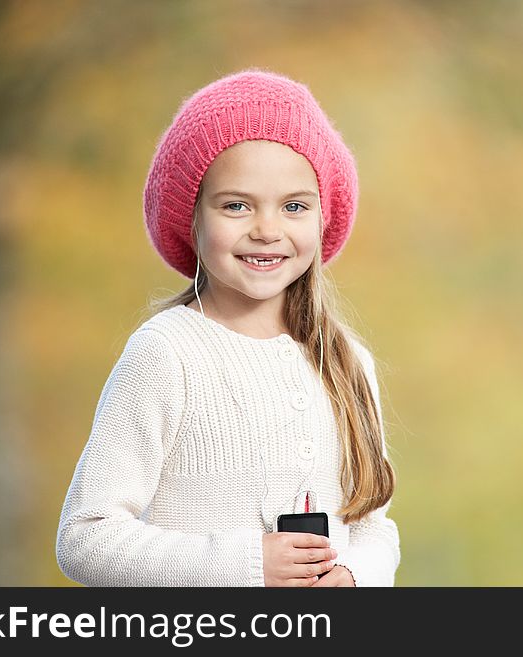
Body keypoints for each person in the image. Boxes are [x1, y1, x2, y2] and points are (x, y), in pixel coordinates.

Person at [55, 68, 399, 587]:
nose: (266, 229)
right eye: (236, 205)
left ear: (323, 218)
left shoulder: (345, 360)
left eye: (294, 206)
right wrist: (247, 564)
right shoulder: (167, 354)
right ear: (190, 218)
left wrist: (353, 575)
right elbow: (85, 537)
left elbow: (373, 526)